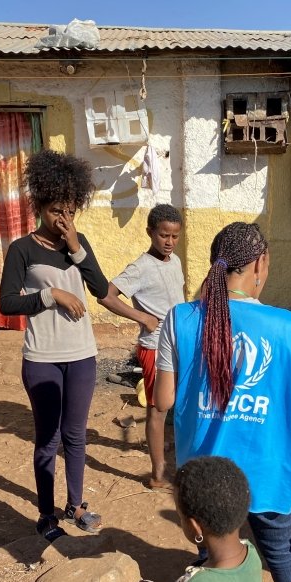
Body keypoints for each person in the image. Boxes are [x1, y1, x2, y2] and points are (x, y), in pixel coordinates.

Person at [155, 222, 291, 582]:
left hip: (205, 471)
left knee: (211, 546)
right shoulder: (286, 328)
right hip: (268, 466)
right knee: (280, 549)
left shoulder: (180, 318)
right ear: (260, 263)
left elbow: (164, 400)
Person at [0, 150, 109, 541]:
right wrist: (51, 296)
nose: (63, 219)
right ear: (39, 206)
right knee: (48, 438)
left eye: (70, 211)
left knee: (76, 435)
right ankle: (46, 513)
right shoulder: (21, 249)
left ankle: (76, 505)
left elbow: (99, 288)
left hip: (82, 356)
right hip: (42, 358)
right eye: (55, 211)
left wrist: (77, 247)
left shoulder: (77, 245)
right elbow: (7, 303)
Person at [98, 203, 186, 490]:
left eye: (174, 236)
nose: (169, 242)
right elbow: (106, 296)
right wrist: (141, 317)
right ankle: (158, 475)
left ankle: (161, 447)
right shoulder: (140, 267)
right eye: (163, 235)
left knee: (176, 404)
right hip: (154, 348)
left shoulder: (174, 261)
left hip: (178, 344)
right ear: (150, 232)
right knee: (157, 409)